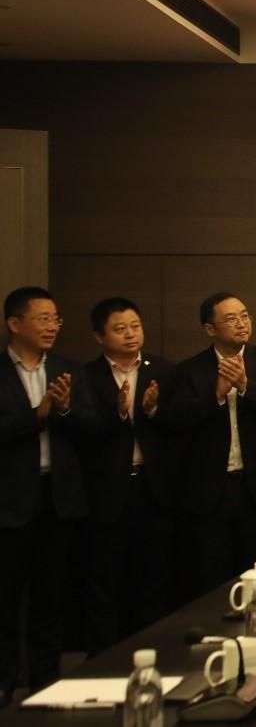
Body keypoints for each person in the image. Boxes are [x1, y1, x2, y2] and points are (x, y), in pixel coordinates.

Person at [0, 287, 95, 704]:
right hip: (10, 501)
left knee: (50, 596)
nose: (52, 326)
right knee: (5, 598)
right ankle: (5, 682)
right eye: (43, 318)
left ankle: (45, 681)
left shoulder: (68, 370)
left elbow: (93, 428)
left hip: (59, 498)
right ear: (14, 323)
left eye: (56, 319)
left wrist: (66, 410)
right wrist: (35, 415)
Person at [167, 292, 256, 589]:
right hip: (210, 490)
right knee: (212, 574)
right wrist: (217, 396)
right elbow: (178, 420)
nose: (241, 323)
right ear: (210, 329)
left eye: (244, 316)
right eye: (231, 319)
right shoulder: (189, 370)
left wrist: (246, 386)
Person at [81, 297, 176, 654]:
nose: (130, 334)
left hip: (153, 490)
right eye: (120, 329)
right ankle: (104, 660)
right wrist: (119, 414)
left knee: (153, 580)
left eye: (135, 326)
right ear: (99, 336)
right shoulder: (85, 377)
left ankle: (153, 656)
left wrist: (152, 410)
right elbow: (83, 434)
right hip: (107, 494)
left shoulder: (164, 371)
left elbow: (180, 427)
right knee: (105, 583)